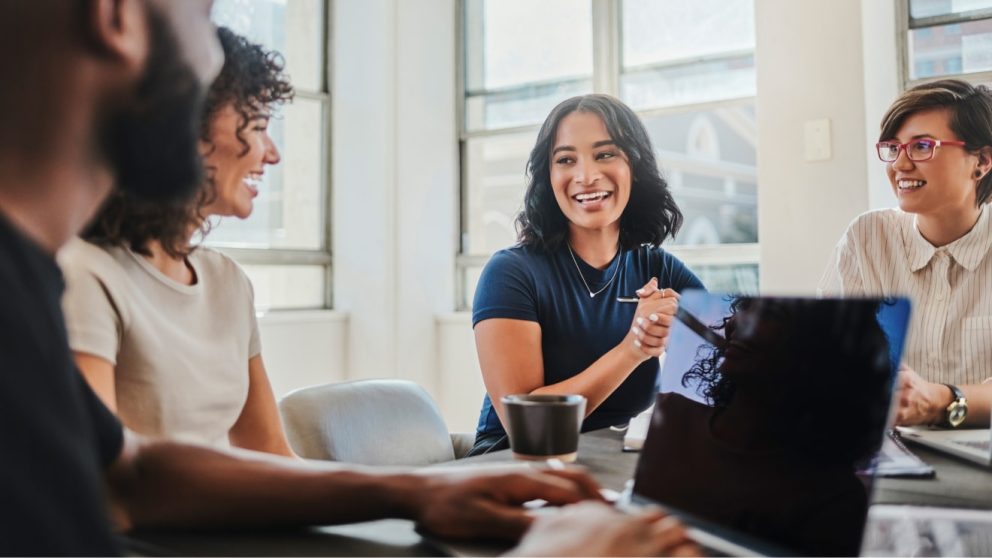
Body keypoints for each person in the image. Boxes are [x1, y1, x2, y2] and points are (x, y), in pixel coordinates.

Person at [0, 2, 697, 556]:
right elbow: (114, 496)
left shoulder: (41, 280)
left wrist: (416, 495)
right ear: (117, 15)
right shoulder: (67, 280)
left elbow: (134, 472)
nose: (272, 151)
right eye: (203, 12)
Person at [59, 27, 295, 456]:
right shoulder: (85, 275)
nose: (272, 153)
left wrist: (392, 499)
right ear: (190, 127)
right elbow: (110, 477)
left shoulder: (228, 281)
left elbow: (272, 452)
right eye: (258, 125)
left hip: (231, 523)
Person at [469, 94, 704, 456]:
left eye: (605, 154)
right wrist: (635, 348)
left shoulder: (658, 269)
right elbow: (527, 424)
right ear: (549, 177)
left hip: (615, 460)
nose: (586, 176)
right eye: (566, 160)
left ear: (634, 167)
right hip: (517, 464)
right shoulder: (510, 273)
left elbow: (736, 360)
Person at [637, 298, 893, 556]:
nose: (740, 321)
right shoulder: (669, 413)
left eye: (772, 315)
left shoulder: (833, 499)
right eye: (747, 308)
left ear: (820, 352)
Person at [819, 79, 992, 428]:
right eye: (893, 148)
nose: (900, 164)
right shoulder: (866, 239)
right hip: (885, 455)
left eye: (922, 146)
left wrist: (941, 400)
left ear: (982, 161)